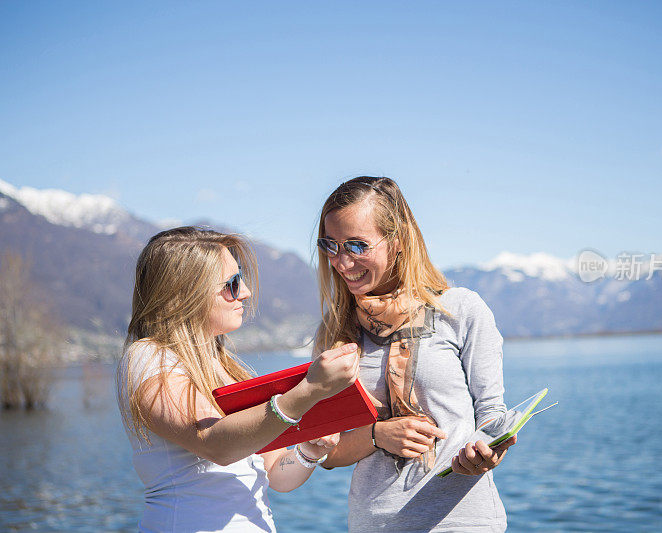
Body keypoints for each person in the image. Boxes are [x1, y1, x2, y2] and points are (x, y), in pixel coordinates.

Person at [117, 226, 359, 532]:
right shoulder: (149, 356)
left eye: (240, 278)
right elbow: (214, 444)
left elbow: (274, 473)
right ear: (183, 295)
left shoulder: (228, 366)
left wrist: (311, 450)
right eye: (231, 284)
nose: (245, 292)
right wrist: (310, 390)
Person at [315, 177, 516, 532]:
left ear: (398, 242)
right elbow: (326, 451)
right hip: (372, 524)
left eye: (356, 246)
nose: (341, 262)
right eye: (331, 245)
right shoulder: (334, 331)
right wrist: (378, 435)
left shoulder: (461, 309)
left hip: (461, 521)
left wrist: (485, 451)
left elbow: (491, 415)